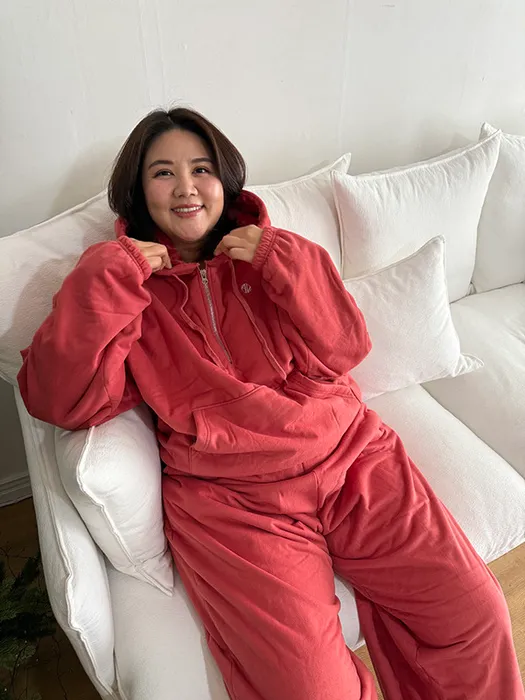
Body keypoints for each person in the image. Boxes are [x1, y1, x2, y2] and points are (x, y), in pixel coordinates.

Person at [18, 107, 524, 700]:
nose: (186, 187)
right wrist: (107, 278)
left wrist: (284, 260)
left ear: (224, 179)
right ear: (138, 190)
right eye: (163, 172)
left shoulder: (274, 252)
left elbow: (347, 346)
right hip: (235, 502)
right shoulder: (123, 284)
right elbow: (57, 399)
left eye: (201, 168)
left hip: (351, 457)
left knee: (475, 618)